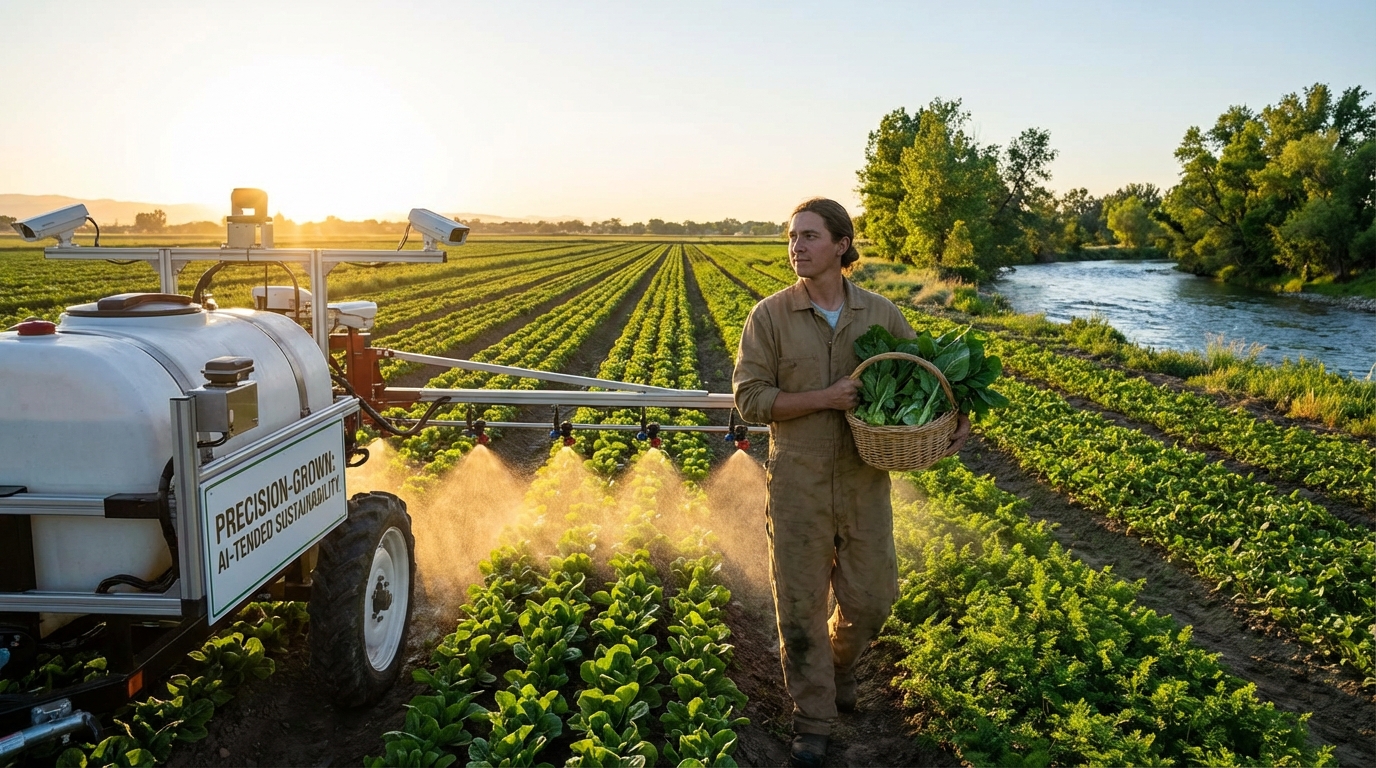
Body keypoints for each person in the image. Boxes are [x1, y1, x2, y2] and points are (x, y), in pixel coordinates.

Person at [732, 198, 969, 767]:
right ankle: (813, 720)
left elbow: (921, 376)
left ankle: (839, 666)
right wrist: (826, 398)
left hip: (865, 482)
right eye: (792, 238)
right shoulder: (770, 317)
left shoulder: (881, 315)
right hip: (798, 484)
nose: (797, 247)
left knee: (873, 599)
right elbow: (749, 400)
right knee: (799, 608)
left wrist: (955, 417)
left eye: (809, 237)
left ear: (841, 245)